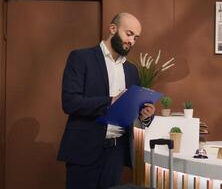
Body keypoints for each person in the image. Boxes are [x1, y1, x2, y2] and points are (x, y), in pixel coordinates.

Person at [57, 12, 156, 189]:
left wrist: (145, 115)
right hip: (83, 150)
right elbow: (70, 102)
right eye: (129, 33)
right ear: (112, 29)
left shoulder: (132, 70)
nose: (132, 41)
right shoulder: (80, 58)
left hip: (116, 154)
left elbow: (133, 111)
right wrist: (111, 101)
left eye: (136, 37)